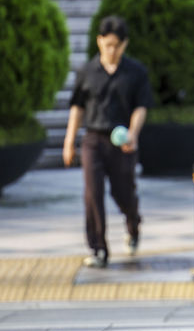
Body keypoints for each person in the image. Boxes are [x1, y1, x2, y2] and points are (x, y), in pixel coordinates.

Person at [63, 16, 154, 268]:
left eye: (116, 45)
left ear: (124, 45)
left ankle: (133, 223)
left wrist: (133, 134)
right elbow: (77, 107)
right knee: (92, 194)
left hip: (123, 141)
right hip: (93, 139)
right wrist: (69, 141)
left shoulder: (135, 72)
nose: (111, 50)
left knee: (123, 192)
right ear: (99, 41)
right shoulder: (87, 71)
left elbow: (141, 107)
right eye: (107, 44)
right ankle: (98, 248)